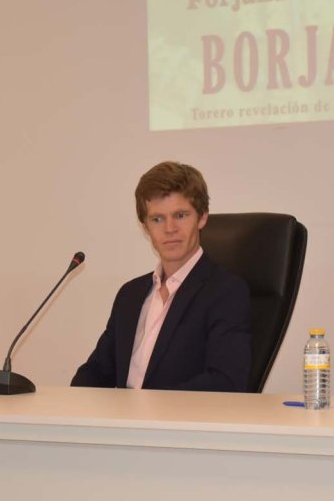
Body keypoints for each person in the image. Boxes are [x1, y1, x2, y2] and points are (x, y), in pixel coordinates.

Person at [71, 161, 251, 392]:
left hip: (181, 415)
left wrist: (148, 407)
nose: (169, 229)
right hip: (123, 414)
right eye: (157, 219)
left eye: (180, 215)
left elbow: (226, 382)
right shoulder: (130, 294)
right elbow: (97, 371)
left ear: (202, 218)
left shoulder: (226, 292)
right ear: (146, 227)